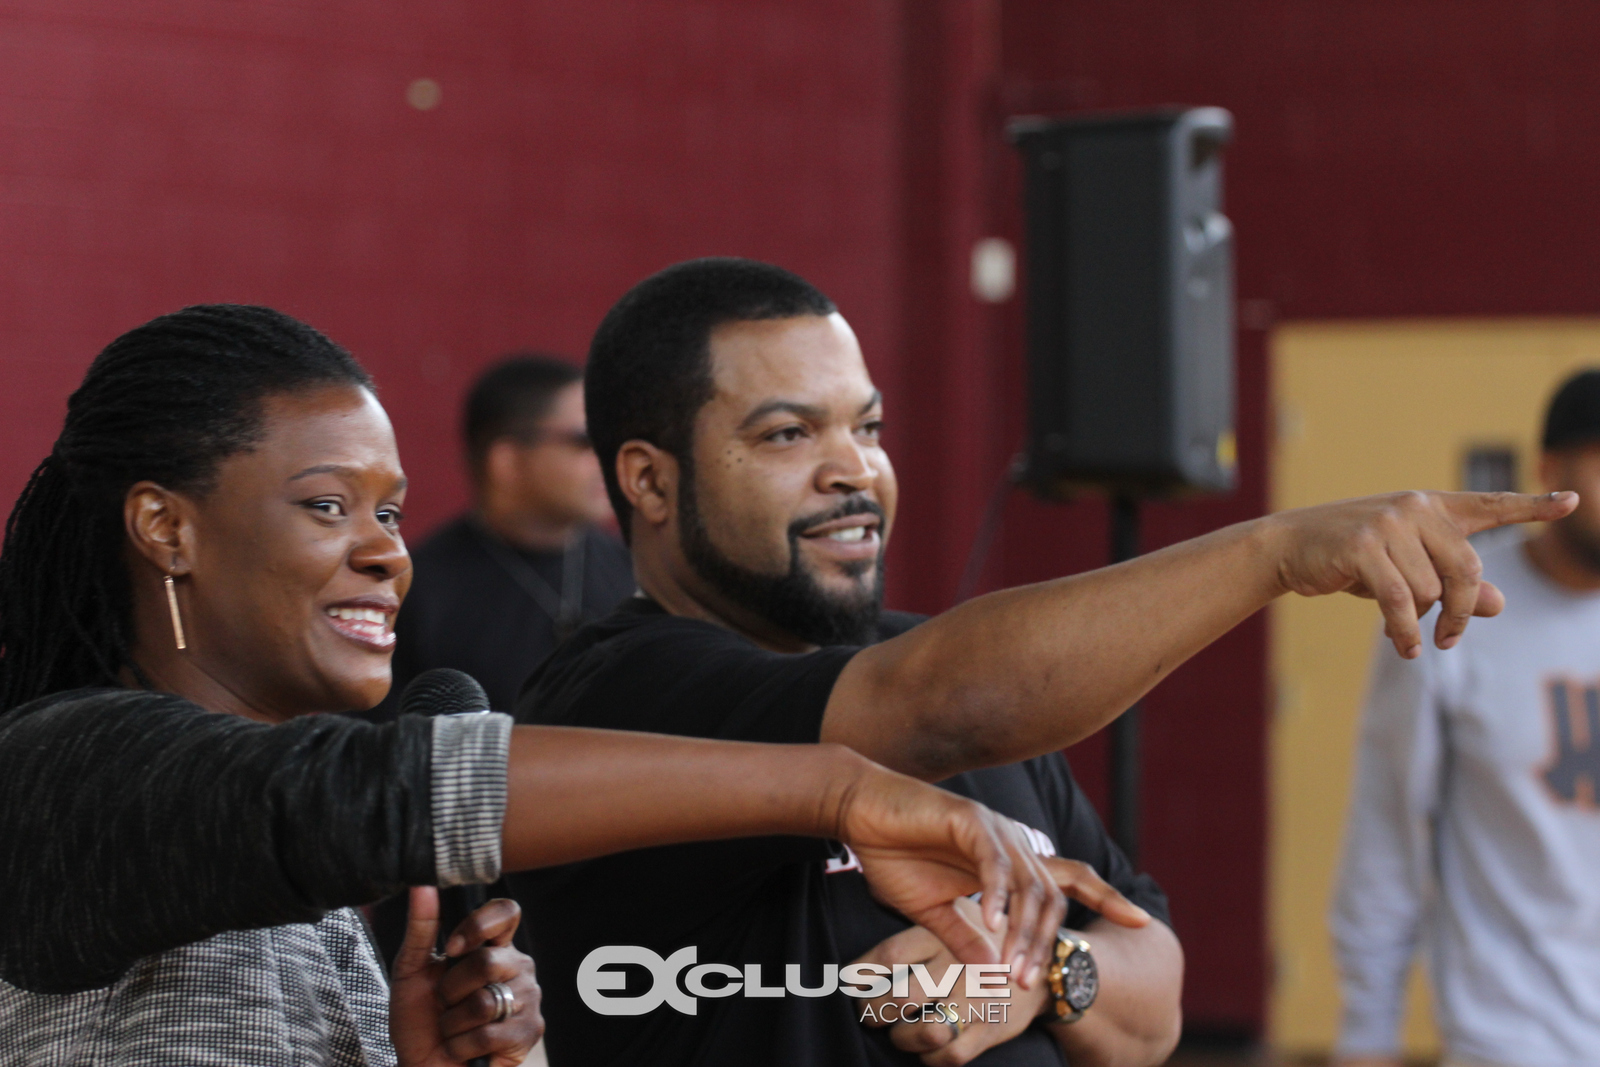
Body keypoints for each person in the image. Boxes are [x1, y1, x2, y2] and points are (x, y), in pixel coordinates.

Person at [504, 257, 1576, 1067]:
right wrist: (1273, 550)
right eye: (788, 435)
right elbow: (937, 706)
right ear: (648, 480)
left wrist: (1039, 971)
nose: (855, 470)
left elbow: (1151, 993)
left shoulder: (946, 687)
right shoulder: (623, 694)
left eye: (868, 426)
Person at [0, 304, 1137, 1067]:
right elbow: (369, 791)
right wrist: (838, 789)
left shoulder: (316, 894)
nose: (388, 551)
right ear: (165, 525)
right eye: (328, 504)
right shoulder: (63, 773)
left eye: (391, 511)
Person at [1332, 371, 1600, 1067]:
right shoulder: (1460, 607)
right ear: (1548, 471)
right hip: (1512, 1036)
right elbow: (1386, 824)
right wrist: (1367, 1030)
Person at [377, 354, 633, 716]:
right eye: (585, 441)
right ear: (508, 460)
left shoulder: (639, 574)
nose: (610, 459)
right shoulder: (413, 593)